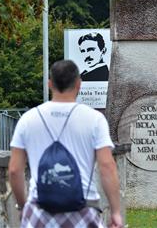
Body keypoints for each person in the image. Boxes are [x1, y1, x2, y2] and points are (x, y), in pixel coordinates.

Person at [8, 60, 123, 228]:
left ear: (49, 83)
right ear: (78, 84)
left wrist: (22, 205)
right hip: (83, 207)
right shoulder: (94, 119)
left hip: (39, 209)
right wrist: (115, 212)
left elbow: (14, 170)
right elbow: (107, 166)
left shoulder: (28, 120)